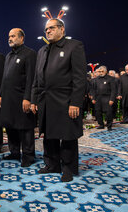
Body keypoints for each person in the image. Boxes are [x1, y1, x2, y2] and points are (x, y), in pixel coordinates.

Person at [31, 18, 87, 182]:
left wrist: (75, 102)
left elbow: (79, 77)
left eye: (51, 28)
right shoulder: (42, 51)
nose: (48, 31)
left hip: (65, 100)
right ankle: (52, 164)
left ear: (62, 29)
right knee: (49, 134)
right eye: (46, 29)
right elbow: (37, 78)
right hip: (46, 100)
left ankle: (69, 168)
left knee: (67, 135)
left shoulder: (74, 46)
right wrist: (34, 99)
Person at [0, 28, 36, 167]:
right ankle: (14, 152)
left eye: (13, 36)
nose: (10, 38)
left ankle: (28, 155)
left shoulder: (30, 54)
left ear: (22, 38)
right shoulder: (8, 56)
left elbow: (31, 78)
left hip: (21, 98)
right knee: (10, 126)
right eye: (9, 36)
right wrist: (1, 94)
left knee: (25, 127)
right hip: (8, 98)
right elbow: (5, 78)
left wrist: (28, 98)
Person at [91, 66, 116, 130]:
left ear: (105, 72)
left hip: (107, 97)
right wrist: (93, 98)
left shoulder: (111, 78)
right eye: (99, 71)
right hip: (98, 98)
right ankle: (101, 124)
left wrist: (112, 99)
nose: (101, 73)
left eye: (102, 71)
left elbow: (113, 90)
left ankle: (109, 126)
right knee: (98, 112)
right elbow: (93, 89)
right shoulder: (96, 79)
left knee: (108, 113)